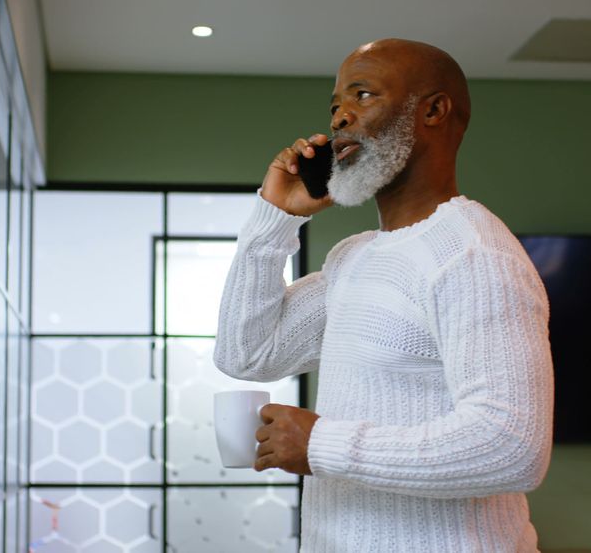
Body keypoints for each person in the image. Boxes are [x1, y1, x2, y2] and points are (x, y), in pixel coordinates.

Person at [214, 38, 554, 552]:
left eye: (363, 95)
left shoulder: (474, 254)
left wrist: (321, 444)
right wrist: (275, 218)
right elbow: (247, 355)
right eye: (334, 106)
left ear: (433, 111)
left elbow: (511, 447)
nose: (339, 119)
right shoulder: (357, 257)